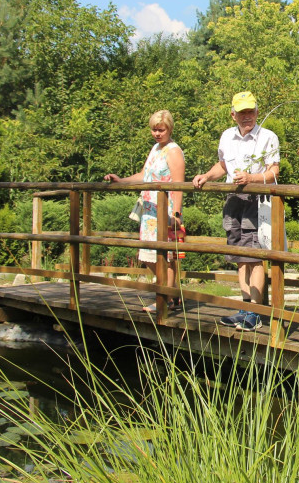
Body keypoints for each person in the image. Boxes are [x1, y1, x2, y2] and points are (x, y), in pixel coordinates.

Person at [192, 91, 280, 332]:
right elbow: (222, 166)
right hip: (234, 200)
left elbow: (274, 172)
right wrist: (206, 176)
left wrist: (252, 177)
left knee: (255, 255)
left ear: (257, 112)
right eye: (242, 112)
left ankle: (256, 312)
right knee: (240, 256)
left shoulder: (268, 137)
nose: (247, 117)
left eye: (250, 111)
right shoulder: (226, 137)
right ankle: (244, 309)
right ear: (233, 115)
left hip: (258, 201)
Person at [104, 110, 185, 314]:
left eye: (161, 129)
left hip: (164, 210)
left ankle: (165, 298)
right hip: (149, 210)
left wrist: (176, 214)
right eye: (154, 129)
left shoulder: (173, 151)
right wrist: (121, 180)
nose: (157, 133)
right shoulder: (156, 149)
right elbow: (144, 174)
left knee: (165, 256)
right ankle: (172, 295)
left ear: (170, 129)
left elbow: (178, 185)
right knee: (150, 255)